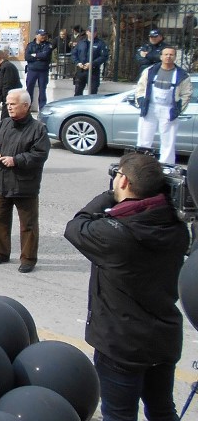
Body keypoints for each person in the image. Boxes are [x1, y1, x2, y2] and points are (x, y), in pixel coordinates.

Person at [64, 153, 189, 421]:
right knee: (163, 409)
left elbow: (76, 226)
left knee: (119, 415)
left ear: (123, 181)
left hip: (122, 344)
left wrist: (110, 195)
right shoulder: (177, 228)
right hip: (163, 338)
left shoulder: (115, 235)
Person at [0, 89, 51, 273]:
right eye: (7, 104)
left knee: (28, 224)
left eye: (12, 104)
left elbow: (39, 154)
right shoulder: (4, 124)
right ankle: (2, 252)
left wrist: (16, 160)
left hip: (25, 184)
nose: (9, 107)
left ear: (26, 106)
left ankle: (28, 258)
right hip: (2, 182)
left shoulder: (38, 129)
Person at [136, 47, 192, 164]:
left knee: (168, 141)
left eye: (171, 55)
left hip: (169, 110)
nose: (168, 57)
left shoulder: (182, 75)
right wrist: (141, 102)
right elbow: (141, 87)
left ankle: (167, 165)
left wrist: (177, 110)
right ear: (161, 56)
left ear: (175, 57)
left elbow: (186, 94)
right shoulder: (150, 71)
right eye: (166, 54)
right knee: (143, 139)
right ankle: (141, 163)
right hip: (150, 108)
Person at [71, 30, 110, 96]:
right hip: (81, 71)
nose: (92, 33)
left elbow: (104, 56)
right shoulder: (81, 43)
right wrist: (78, 63)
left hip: (93, 72)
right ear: (87, 32)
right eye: (90, 31)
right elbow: (74, 54)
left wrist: (92, 63)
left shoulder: (100, 43)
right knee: (77, 92)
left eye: (94, 32)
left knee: (92, 93)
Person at [23, 29, 53, 110]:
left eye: (44, 35)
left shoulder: (48, 45)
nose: (43, 37)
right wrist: (38, 57)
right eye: (41, 35)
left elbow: (45, 55)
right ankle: (27, 108)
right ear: (36, 35)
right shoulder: (30, 45)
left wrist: (35, 55)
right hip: (32, 70)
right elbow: (27, 57)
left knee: (42, 90)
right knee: (29, 89)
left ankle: (42, 108)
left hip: (43, 70)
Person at [0, 51, 22, 120]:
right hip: (9, 98)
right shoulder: (5, 67)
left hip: (9, 98)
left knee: (4, 120)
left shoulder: (7, 67)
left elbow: (7, 84)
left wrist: (5, 98)